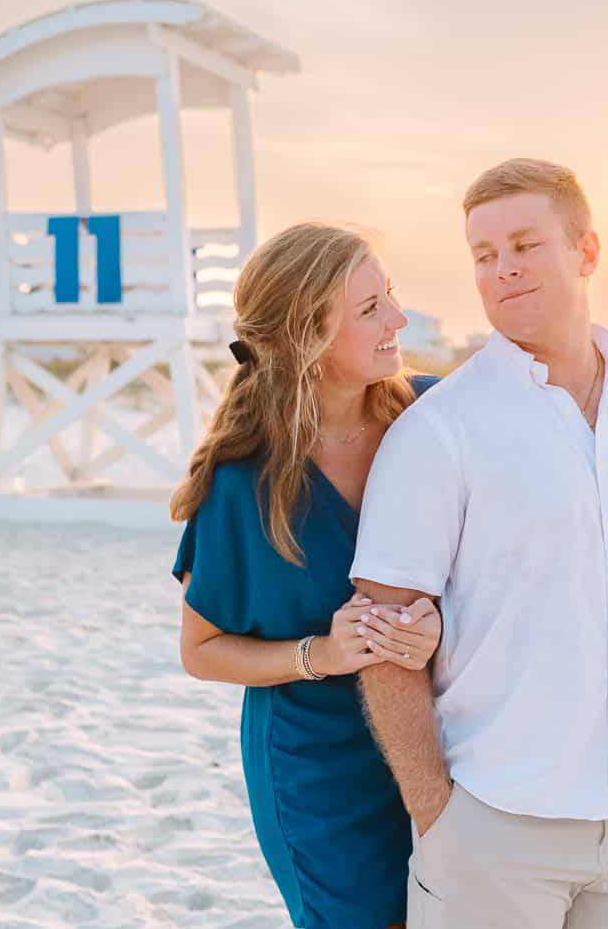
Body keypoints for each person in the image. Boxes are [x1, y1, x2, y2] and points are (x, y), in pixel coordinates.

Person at [349, 158, 608, 929]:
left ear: (586, 251)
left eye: (525, 244)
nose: (504, 270)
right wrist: (439, 815)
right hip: (493, 831)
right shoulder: (440, 430)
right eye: (485, 255)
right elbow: (381, 628)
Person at [170, 221, 445, 929]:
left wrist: (440, 625)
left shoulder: (434, 416)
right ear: (307, 339)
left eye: (389, 296)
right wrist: (318, 653)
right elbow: (201, 650)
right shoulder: (243, 483)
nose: (398, 319)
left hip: (445, 741)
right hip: (317, 772)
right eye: (369, 309)